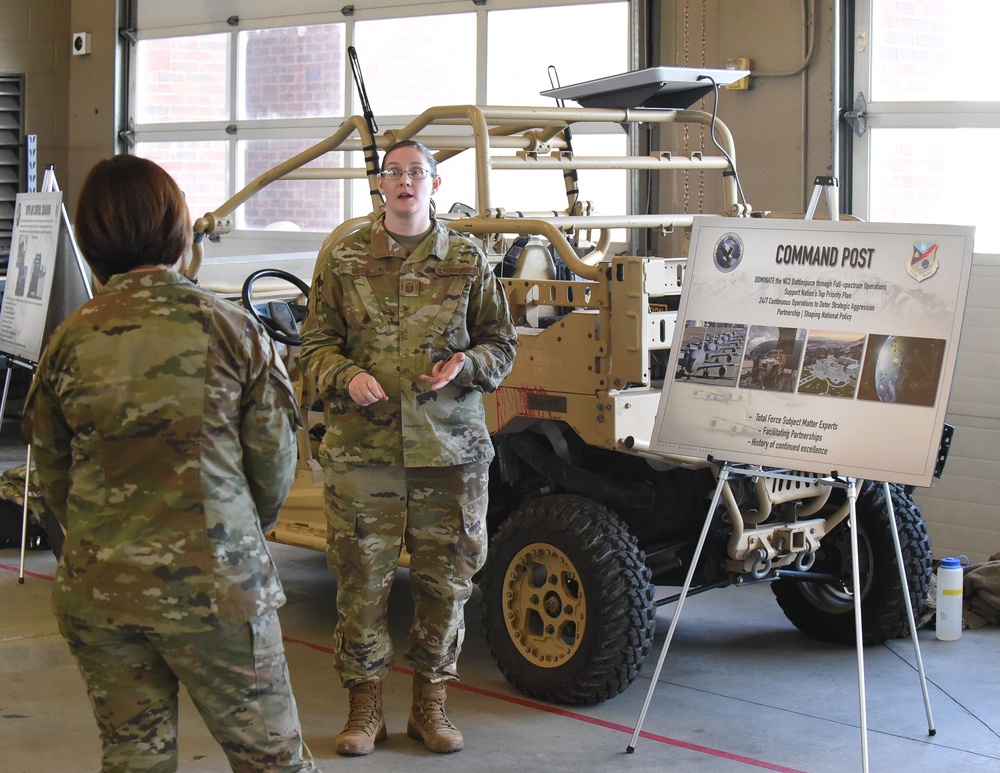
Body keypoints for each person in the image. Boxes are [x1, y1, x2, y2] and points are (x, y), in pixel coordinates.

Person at [22, 155, 317, 773]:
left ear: (90, 238)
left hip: (102, 592)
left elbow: (52, 473)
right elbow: (273, 467)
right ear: (178, 228)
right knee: (271, 761)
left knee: (134, 760)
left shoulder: (67, 341)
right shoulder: (233, 328)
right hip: (217, 589)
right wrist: (233, 536)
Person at [299, 140, 518, 756]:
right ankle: (365, 711)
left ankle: (430, 706)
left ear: (435, 183)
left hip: (450, 453)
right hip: (363, 454)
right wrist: (346, 377)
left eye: (415, 173)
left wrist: (466, 364)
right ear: (379, 184)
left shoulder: (469, 259)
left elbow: (502, 345)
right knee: (361, 583)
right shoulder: (343, 257)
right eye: (393, 173)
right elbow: (313, 345)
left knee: (446, 583)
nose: (404, 182)